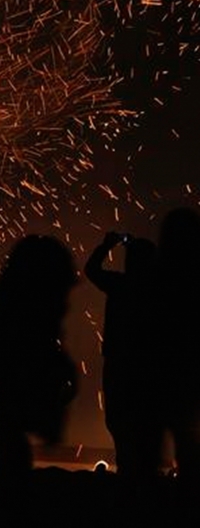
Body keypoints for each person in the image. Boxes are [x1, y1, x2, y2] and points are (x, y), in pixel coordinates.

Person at [0, 235, 78, 475]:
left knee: (8, 446)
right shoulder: (29, 306)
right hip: (7, 385)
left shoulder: (8, 300)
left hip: (1, 387)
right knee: (11, 448)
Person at [84, 231, 161, 478]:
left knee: (119, 420)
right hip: (148, 367)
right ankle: (142, 476)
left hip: (119, 364)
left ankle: (129, 473)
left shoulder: (120, 284)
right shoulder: (158, 290)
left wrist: (107, 245)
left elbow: (91, 270)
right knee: (142, 422)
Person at [156, 207, 200, 483]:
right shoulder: (193, 279)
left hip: (159, 371)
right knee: (187, 438)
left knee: (150, 442)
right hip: (187, 372)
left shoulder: (153, 277)